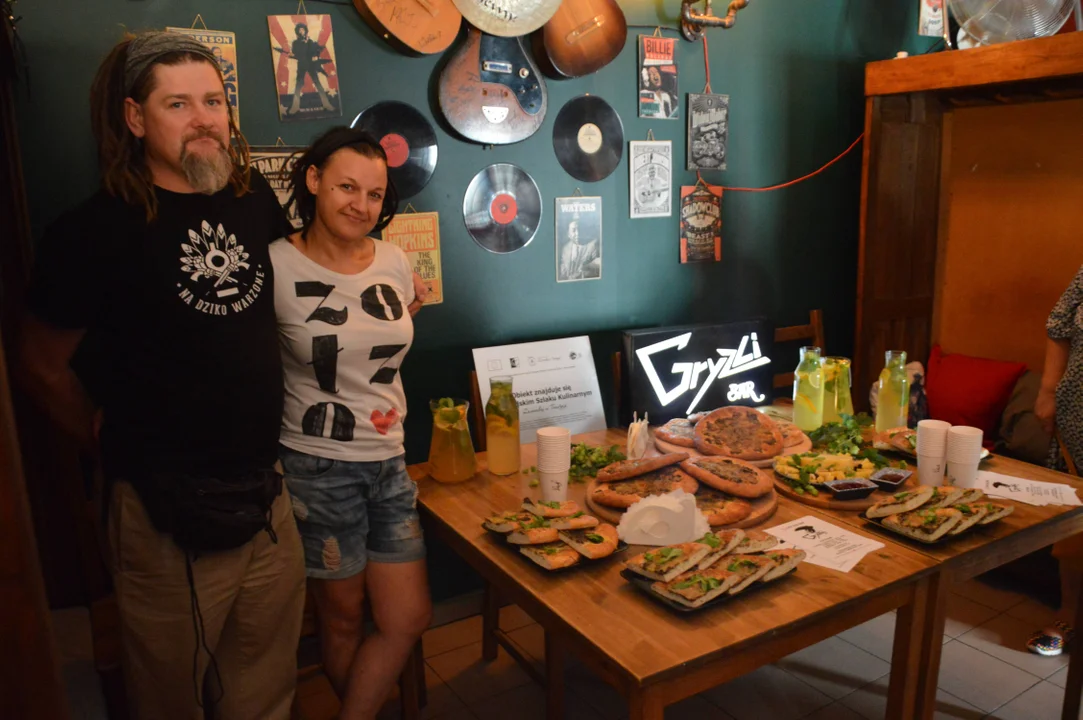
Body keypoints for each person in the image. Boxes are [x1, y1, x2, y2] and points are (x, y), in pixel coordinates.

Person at [18, 31, 306, 718]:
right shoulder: (90, 232)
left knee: (265, 687)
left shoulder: (253, 202)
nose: (203, 119)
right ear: (135, 118)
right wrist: (106, 441)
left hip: (267, 495)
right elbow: (39, 363)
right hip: (160, 512)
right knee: (170, 698)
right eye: (178, 104)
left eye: (213, 101)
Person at [273, 126, 431, 719]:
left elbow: (382, 344)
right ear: (314, 181)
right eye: (346, 187)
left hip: (389, 460)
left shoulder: (393, 260)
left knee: (407, 616)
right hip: (317, 466)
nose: (360, 205)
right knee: (340, 619)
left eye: (374, 194)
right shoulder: (275, 264)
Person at [1027, 264, 1083, 656]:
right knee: (1075, 521)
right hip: (1077, 418)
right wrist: (1048, 391)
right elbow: (1059, 323)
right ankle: (1069, 613)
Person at [282, 22, 335, 116]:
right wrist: (292, 54)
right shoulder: (295, 43)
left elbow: (315, 52)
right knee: (298, 86)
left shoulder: (311, 42)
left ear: (305, 31)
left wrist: (315, 56)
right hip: (302, 66)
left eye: (302, 29)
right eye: (299, 30)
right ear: (297, 32)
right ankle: (295, 107)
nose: (301, 31)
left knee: (318, 84)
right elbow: (296, 54)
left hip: (311, 66)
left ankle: (327, 105)